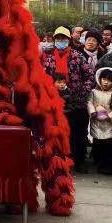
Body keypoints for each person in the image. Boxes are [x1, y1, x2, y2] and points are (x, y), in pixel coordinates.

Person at [43, 26, 94, 173]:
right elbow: (45, 80)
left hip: (77, 103)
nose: (61, 41)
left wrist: (82, 92)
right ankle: (60, 161)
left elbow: (90, 75)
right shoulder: (50, 59)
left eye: (63, 39)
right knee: (59, 134)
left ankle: (80, 161)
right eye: (58, 39)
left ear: (69, 40)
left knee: (79, 134)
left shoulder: (77, 56)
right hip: (57, 104)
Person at [88, 67, 112, 174]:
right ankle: (98, 161)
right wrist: (92, 112)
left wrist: (110, 116)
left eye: (109, 80)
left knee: (109, 144)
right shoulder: (94, 92)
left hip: (110, 123)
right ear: (99, 79)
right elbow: (89, 102)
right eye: (104, 79)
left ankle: (107, 165)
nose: (106, 82)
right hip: (97, 121)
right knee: (98, 142)